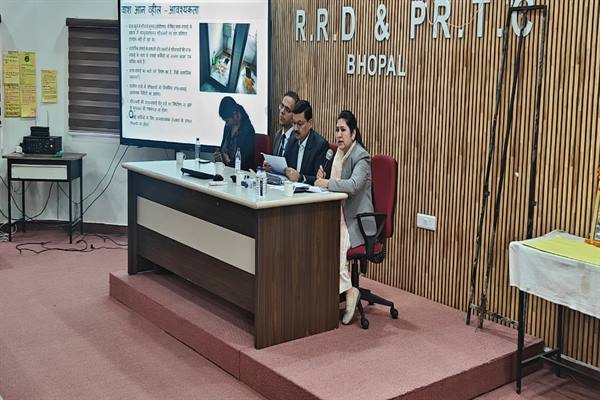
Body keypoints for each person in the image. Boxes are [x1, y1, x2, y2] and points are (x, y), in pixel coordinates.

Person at [315, 110, 376, 325]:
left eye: (343, 130)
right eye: (337, 129)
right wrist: (323, 178)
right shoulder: (337, 154)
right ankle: (346, 289)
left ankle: (349, 292)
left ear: (354, 133)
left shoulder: (362, 157)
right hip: (338, 213)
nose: (338, 134)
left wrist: (327, 183)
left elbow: (353, 186)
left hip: (357, 220)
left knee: (334, 246)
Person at [284, 100, 329, 185]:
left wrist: (300, 177)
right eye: (293, 123)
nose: (295, 128)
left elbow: (319, 179)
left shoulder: (320, 145)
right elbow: (285, 166)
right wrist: (273, 168)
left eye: (300, 124)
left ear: (310, 123)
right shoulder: (291, 140)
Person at [214, 96, 255, 171]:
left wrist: (228, 161)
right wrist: (219, 157)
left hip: (241, 172)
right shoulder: (228, 127)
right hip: (226, 170)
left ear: (236, 115)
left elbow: (244, 162)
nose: (226, 124)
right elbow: (222, 148)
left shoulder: (248, 130)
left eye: (227, 121)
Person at [272, 91, 300, 157]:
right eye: (282, 106)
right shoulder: (278, 135)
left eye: (287, 109)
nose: (282, 111)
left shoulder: (298, 138)